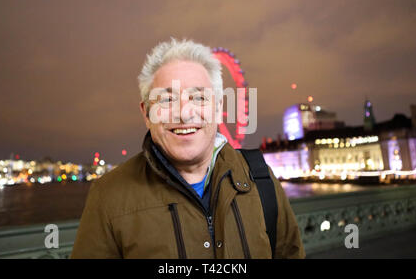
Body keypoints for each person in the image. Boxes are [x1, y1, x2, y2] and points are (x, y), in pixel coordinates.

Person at [71, 38, 305, 259]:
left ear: (218, 107)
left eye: (199, 98)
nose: (184, 113)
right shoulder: (109, 196)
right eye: (167, 100)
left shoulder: (260, 177)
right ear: (146, 113)